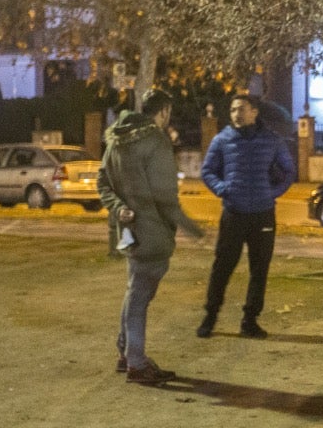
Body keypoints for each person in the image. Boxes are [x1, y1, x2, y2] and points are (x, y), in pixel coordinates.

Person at [98, 88, 204, 385]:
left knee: (134, 292)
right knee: (140, 298)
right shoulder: (156, 140)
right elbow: (166, 198)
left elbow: (102, 182)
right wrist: (191, 228)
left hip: (130, 233)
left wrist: (118, 209)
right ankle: (136, 362)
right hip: (153, 232)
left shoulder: (115, 140)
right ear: (164, 111)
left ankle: (126, 352)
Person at [197, 94, 295, 340]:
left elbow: (289, 171)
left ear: (254, 112)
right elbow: (207, 170)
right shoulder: (222, 140)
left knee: (259, 269)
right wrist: (222, 189)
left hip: (263, 214)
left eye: (241, 109)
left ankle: (250, 320)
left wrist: (272, 193)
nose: (236, 114)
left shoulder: (271, 140)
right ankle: (210, 315)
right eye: (232, 110)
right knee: (222, 266)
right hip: (234, 212)